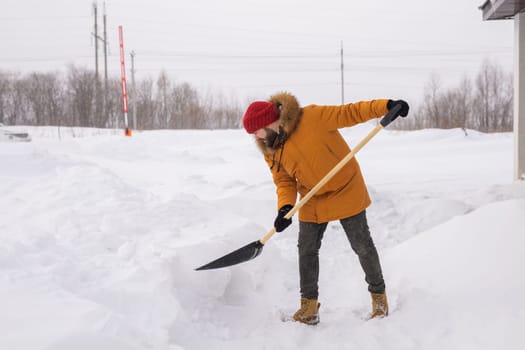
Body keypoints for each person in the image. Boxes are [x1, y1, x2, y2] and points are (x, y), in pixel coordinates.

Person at [242, 92, 409, 325]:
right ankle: (308, 308)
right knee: (306, 250)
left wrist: (386, 106)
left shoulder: (311, 117)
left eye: (256, 131)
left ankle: (379, 299)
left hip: (345, 188)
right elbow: (284, 182)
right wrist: (285, 208)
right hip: (312, 196)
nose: (256, 137)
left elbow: (350, 112)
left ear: (269, 122)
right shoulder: (270, 149)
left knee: (362, 245)